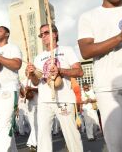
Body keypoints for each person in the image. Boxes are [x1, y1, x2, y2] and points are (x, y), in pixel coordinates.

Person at [77, 0, 122, 151]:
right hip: (107, 87)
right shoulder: (88, 16)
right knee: (117, 144)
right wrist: (121, 36)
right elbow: (86, 51)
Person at [27, 24, 84, 152]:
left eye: (46, 33)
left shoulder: (67, 50)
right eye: (41, 34)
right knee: (42, 136)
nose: (43, 36)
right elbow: (36, 82)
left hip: (64, 99)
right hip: (44, 101)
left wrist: (60, 70)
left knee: (71, 135)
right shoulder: (38, 57)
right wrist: (31, 74)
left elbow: (79, 72)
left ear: (55, 34)